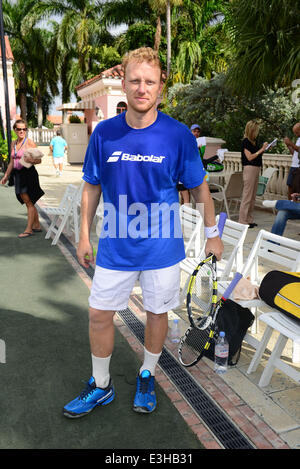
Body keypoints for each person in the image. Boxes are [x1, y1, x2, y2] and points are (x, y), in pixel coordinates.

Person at [63, 47, 224, 418]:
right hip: (115, 248)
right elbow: (91, 186)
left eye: (149, 82)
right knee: (100, 315)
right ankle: (101, 385)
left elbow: (199, 188)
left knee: (156, 313)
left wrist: (212, 233)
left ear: (160, 88)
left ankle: (147, 374)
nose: (141, 88)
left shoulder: (178, 135)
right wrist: (84, 235)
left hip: (162, 249)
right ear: (123, 83)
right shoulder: (104, 133)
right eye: (134, 80)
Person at [0, 119, 44, 238]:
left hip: (29, 174)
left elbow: (39, 160)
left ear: (26, 130)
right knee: (29, 201)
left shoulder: (29, 143)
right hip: (18, 175)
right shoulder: (13, 144)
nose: (21, 131)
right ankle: (37, 225)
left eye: (24, 129)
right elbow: (11, 162)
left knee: (29, 202)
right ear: (15, 130)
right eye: (19, 129)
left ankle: (29, 229)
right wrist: (6, 176)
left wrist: (32, 160)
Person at [238, 120, 268, 228]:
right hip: (250, 169)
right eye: (256, 130)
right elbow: (250, 157)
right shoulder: (245, 141)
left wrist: (263, 149)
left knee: (253, 196)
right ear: (252, 130)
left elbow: (256, 155)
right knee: (247, 196)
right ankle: (242, 220)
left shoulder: (253, 142)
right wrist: (261, 150)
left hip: (256, 169)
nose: (257, 132)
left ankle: (249, 219)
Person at [284, 122, 300, 200]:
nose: (296, 134)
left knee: (297, 190)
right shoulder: (298, 139)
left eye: (297, 132)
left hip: (298, 168)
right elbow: (294, 153)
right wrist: (288, 145)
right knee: (290, 187)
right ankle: (289, 206)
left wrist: (291, 143)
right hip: (293, 166)